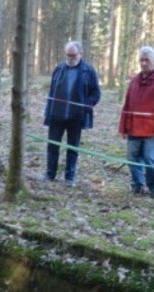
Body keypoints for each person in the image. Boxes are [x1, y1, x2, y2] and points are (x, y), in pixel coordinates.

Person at [118, 46, 154, 199]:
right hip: (133, 129)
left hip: (152, 131)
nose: (144, 63)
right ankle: (137, 184)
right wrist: (123, 127)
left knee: (150, 160)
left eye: (147, 60)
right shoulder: (135, 81)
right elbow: (127, 106)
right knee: (132, 159)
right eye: (141, 60)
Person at [43, 41, 101, 187]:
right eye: (67, 55)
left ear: (80, 54)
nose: (70, 58)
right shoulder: (59, 69)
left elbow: (96, 93)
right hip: (57, 115)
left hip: (76, 116)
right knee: (52, 146)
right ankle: (50, 174)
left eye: (73, 55)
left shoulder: (88, 70)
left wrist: (87, 104)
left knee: (72, 147)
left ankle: (70, 176)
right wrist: (48, 113)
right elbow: (51, 93)